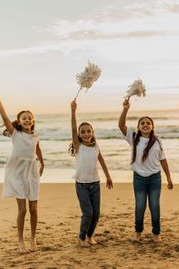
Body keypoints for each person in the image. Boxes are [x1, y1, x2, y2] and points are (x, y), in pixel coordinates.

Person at [0, 87, 44, 253]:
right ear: (19, 121)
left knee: (34, 209)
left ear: (32, 121)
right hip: (17, 172)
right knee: (23, 209)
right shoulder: (15, 133)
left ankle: (33, 238)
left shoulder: (35, 135)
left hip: (32, 171)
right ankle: (20, 240)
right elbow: (4, 116)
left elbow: (37, 148)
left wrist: (42, 162)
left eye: (30, 118)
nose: (27, 120)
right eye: (24, 118)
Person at [118, 98, 173, 243]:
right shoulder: (133, 137)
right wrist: (125, 109)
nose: (145, 125)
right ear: (138, 127)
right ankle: (138, 233)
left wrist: (169, 177)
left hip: (155, 178)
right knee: (140, 206)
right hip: (139, 178)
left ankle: (156, 234)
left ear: (152, 126)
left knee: (155, 206)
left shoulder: (157, 140)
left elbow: (163, 159)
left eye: (148, 123)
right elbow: (121, 125)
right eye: (142, 123)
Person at [70, 99, 113, 247]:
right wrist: (73, 111)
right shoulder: (78, 147)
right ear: (79, 135)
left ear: (92, 133)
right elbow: (73, 127)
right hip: (81, 185)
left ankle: (90, 236)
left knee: (96, 215)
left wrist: (108, 176)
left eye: (89, 131)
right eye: (83, 132)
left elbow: (102, 161)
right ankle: (81, 237)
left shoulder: (95, 147)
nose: (86, 134)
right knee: (87, 214)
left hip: (95, 184)